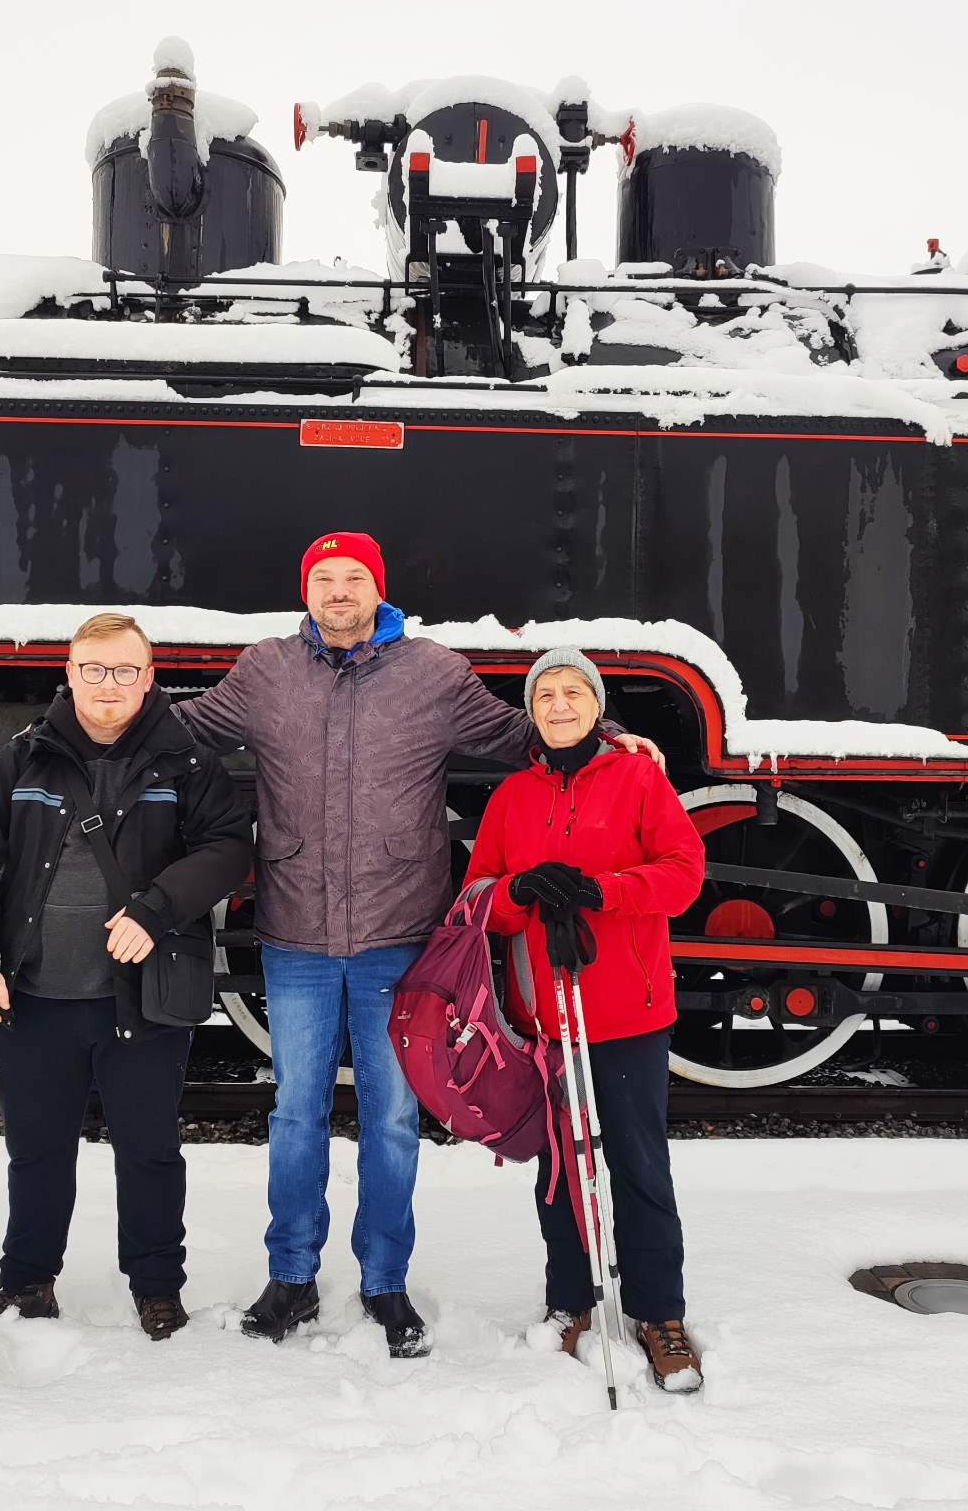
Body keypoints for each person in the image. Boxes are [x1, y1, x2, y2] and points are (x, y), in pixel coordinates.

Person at [176, 533, 662, 1358]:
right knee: (295, 1112)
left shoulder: (434, 673)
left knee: (394, 1118)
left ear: (378, 589)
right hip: (294, 929)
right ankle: (290, 1275)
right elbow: (179, 726)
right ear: (307, 590)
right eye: (323, 579)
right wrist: (84, 722)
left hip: (400, 935)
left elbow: (526, 734)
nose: (337, 591)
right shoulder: (265, 670)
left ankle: (385, 1282)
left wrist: (611, 736)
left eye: (353, 578)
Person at [0, 613, 251, 1341]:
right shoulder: (21, 761)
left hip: (138, 1000)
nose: (108, 685)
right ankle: (26, 1283)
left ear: (149, 678)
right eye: (93, 669)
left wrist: (157, 907)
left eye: (124, 670)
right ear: (70, 675)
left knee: (149, 1151)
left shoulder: (189, 762)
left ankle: (156, 1288)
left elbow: (229, 849)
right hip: (35, 994)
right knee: (36, 1151)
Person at [462, 645, 707, 1392]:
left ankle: (658, 1311)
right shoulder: (511, 798)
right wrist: (520, 891)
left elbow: (683, 873)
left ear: (597, 707)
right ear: (531, 711)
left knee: (637, 1165)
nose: (561, 704)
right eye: (547, 695)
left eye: (575, 692)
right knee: (560, 1171)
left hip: (628, 1012)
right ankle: (568, 1299)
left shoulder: (638, 777)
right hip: (549, 1019)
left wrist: (603, 891)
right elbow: (476, 901)